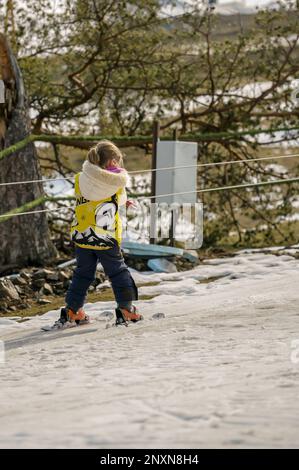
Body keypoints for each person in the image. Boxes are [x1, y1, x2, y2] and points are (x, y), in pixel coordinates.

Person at [55, 140, 142, 327]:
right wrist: (123, 201)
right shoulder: (117, 182)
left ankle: (73, 310)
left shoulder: (80, 178)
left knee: (83, 273)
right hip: (106, 237)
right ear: (111, 162)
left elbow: (89, 198)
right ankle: (126, 309)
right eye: (117, 161)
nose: (119, 165)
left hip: (83, 235)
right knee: (118, 272)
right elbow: (114, 197)